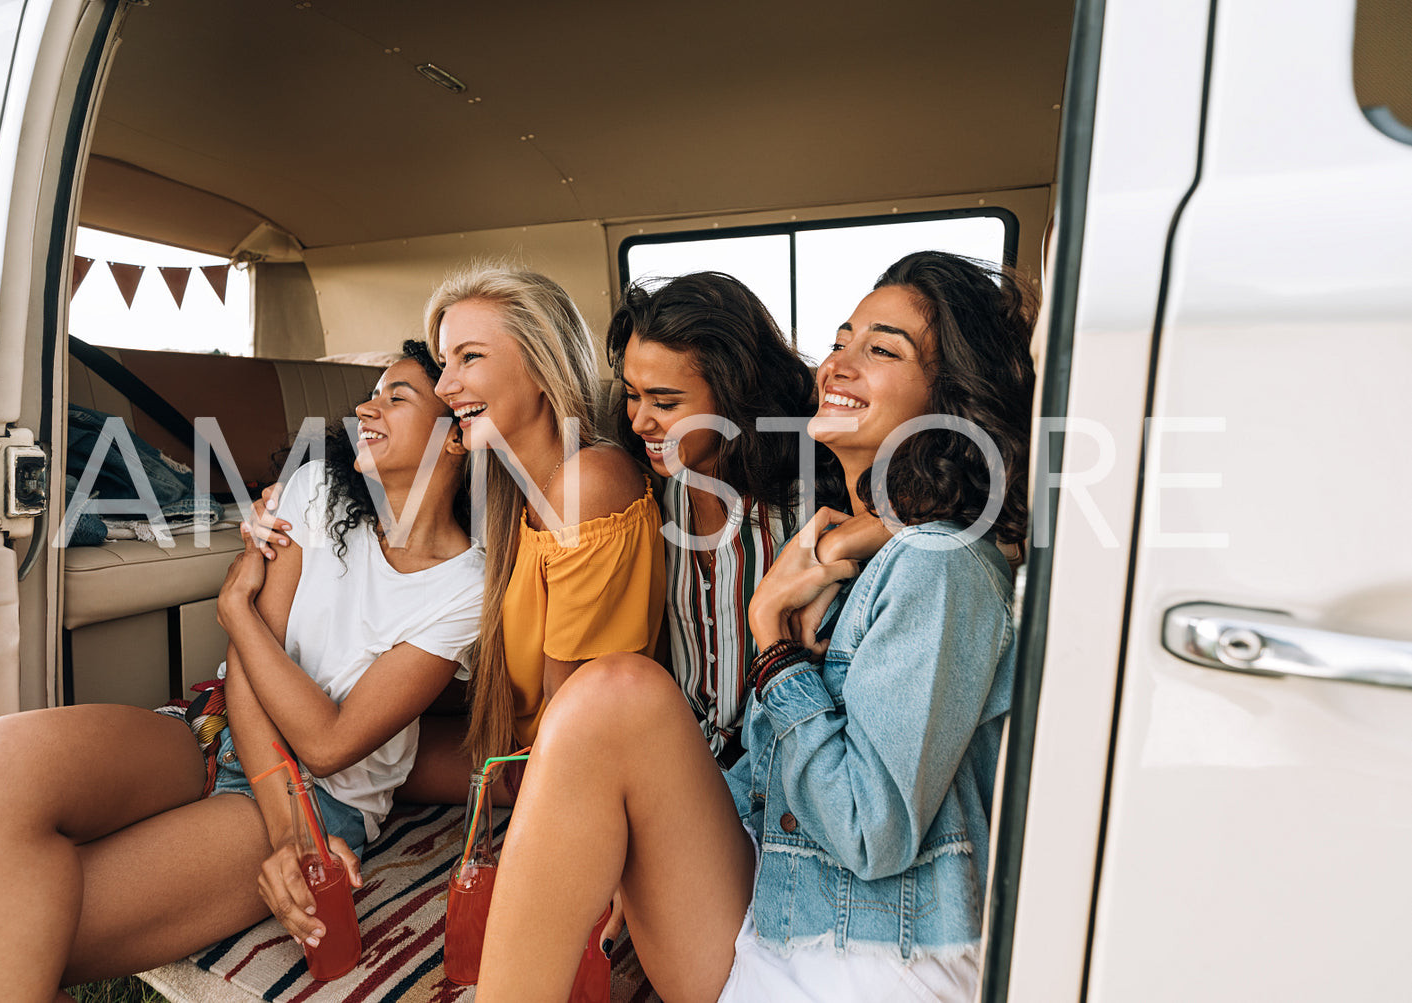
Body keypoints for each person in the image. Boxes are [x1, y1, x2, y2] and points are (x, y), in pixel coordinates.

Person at [468, 251, 1036, 1003]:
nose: (836, 363)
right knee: (616, 700)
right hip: (785, 905)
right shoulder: (863, 548)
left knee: (616, 693)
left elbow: (871, 831)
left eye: (881, 349)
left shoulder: (929, 561)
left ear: (948, 398)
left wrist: (769, 637)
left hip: (865, 957)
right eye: (841, 339)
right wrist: (635, 850)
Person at [0, 341, 485, 1001]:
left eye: (395, 396)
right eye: (372, 391)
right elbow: (250, 666)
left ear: (456, 437)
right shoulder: (317, 487)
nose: (365, 406)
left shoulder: (464, 585)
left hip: (318, 797)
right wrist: (245, 634)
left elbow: (329, 742)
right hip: (213, 724)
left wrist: (235, 611)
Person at [425, 265, 666, 778]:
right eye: (444, 362)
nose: (445, 385)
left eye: (470, 357)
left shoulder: (588, 482)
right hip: (523, 745)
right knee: (359, 759)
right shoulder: (509, 494)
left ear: (540, 366)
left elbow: (569, 718)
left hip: (579, 767)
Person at [605, 272, 823, 765]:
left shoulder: (810, 496)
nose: (640, 421)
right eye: (633, 394)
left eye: (664, 402)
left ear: (733, 394)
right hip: (684, 756)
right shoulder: (646, 495)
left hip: (779, 763)